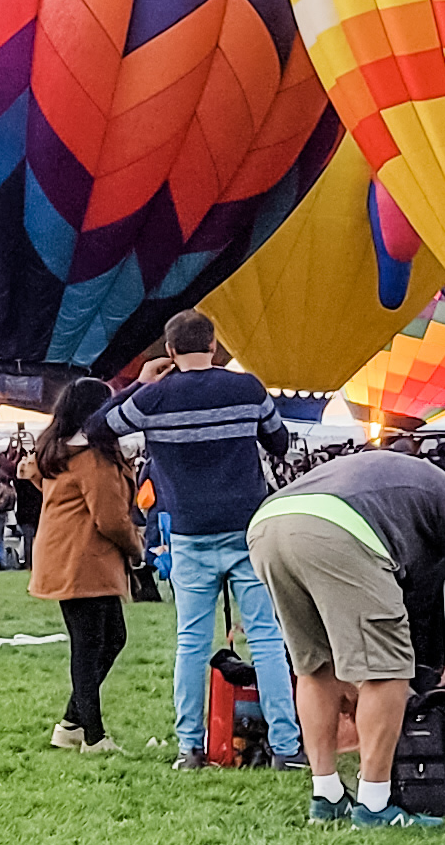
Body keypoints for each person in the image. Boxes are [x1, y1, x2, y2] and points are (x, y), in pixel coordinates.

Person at [245, 447, 445, 828]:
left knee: (315, 666)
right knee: (389, 669)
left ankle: (326, 795)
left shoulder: (389, 477)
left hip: (269, 524)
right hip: (339, 528)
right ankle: (375, 806)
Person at [112, 310, 303, 772]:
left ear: (170, 351)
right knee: (266, 637)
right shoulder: (247, 388)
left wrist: (141, 381)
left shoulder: (154, 399)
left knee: (191, 643)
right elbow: (279, 443)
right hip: (246, 527)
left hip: (190, 532)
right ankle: (285, 746)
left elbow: (99, 427)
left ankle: (190, 748)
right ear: (215, 347)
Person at [24, 380, 141, 753]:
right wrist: (137, 549)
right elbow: (111, 518)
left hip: (66, 558)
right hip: (84, 560)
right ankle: (92, 734)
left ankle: (73, 722)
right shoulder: (93, 458)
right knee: (93, 646)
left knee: (101, 641)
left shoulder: (58, 453)